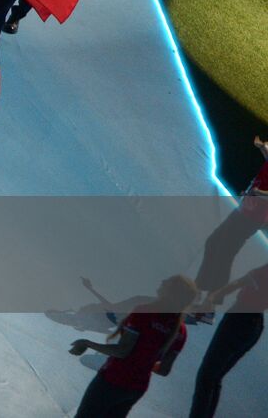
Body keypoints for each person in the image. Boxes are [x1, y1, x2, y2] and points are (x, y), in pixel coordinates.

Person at [68, 275, 197, 418]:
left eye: (167, 282)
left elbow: (123, 351)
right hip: (136, 389)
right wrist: (144, 361)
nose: (162, 281)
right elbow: (164, 370)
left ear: (171, 292)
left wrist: (87, 343)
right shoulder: (181, 330)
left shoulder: (145, 312)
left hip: (112, 380)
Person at [193, 137, 268, 300]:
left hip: (251, 217)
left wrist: (256, 192)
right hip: (245, 212)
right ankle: (202, 292)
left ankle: (207, 297)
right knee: (216, 246)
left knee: (222, 251)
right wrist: (262, 147)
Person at [189, 262, 268, 417]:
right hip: (254, 324)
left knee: (206, 376)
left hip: (239, 320)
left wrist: (212, 297)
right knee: (214, 378)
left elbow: (240, 282)